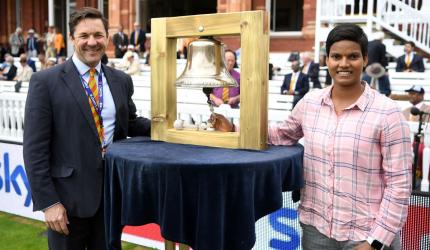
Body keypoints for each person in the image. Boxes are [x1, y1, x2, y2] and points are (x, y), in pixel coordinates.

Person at [213, 23, 412, 250]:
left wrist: (375, 241)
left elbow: (399, 185)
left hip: (366, 234)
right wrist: (234, 129)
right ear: (326, 60)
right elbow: (281, 134)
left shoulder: (388, 113)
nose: (344, 64)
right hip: (316, 231)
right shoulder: (310, 103)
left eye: (353, 56)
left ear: (365, 59)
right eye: (336, 56)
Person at [23, 7, 151, 250]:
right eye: (84, 36)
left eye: (98, 35)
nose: (92, 42)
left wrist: (167, 126)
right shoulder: (46, 82)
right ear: (72, 39)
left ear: (107, 38)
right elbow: (34, 150)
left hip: (111, 198)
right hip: (66, 204)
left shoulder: (121, 80)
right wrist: (49, 203)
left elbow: (131, 122)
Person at [362, 31, 391, 96]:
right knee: (383, 77)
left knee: (366, 81)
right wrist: (385, 70)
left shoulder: (368, 43)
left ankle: (366, 92)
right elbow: (383, 59)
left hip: (366, 67)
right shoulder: (381, 45)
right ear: (382, 38)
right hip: (376, 68)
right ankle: (384, 91)